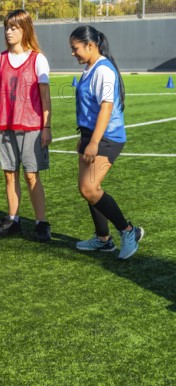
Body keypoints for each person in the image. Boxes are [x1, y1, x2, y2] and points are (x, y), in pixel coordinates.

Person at [70, 25, 144, 259]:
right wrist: (83, 138)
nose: (73, 53)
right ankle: (103, 240)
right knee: (89, 190)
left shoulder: (104, 70)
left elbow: (106, 107)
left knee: (89, 188)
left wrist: (93, 142)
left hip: (107, 138)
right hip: (90, 135)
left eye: (76, 48)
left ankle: (128, 231)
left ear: (90, 45)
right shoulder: (89, 68)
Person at [0, 9, 52, 242]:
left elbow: (45, 96)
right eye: (7, 27)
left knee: (31, 176)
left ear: (25, 30)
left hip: (33, 127)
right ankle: (13, 219)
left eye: (14, 27)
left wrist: (47, 127)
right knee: (9, 175)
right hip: (6, 127)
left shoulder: (37, 58)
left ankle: (41, 223)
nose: (9, 31)